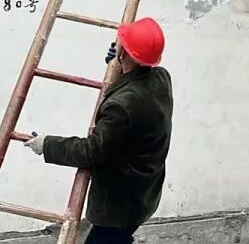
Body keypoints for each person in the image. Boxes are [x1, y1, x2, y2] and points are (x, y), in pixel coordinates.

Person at [24, 17, 173, 244]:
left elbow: (92, 151)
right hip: (144, 190)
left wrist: (47, 144)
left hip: (121, 202)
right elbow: (137, 85)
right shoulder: (162, 78)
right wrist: (119, 66)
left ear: (125, 53)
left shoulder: (121, 106)